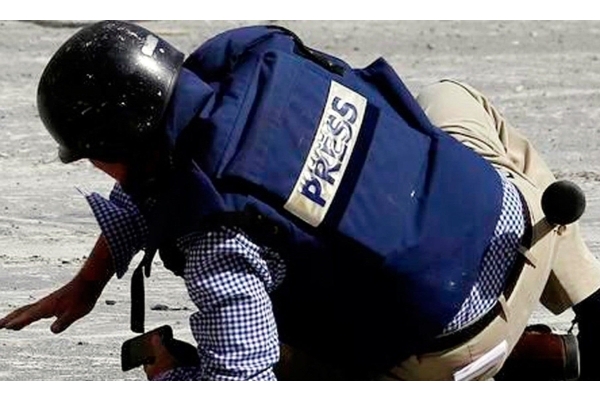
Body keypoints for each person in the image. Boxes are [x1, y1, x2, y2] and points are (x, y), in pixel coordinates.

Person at [1, 20, 600, 381]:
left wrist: (172, 374)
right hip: (524, 230)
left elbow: (242, 380)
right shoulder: (259, 62)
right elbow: (162, 182)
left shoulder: (216, 237)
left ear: (119, 148)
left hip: (449, 347)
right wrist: (90, 278)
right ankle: (583, 315)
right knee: (449, 97)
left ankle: (502, 360)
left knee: (278, 355)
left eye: (96, 155)